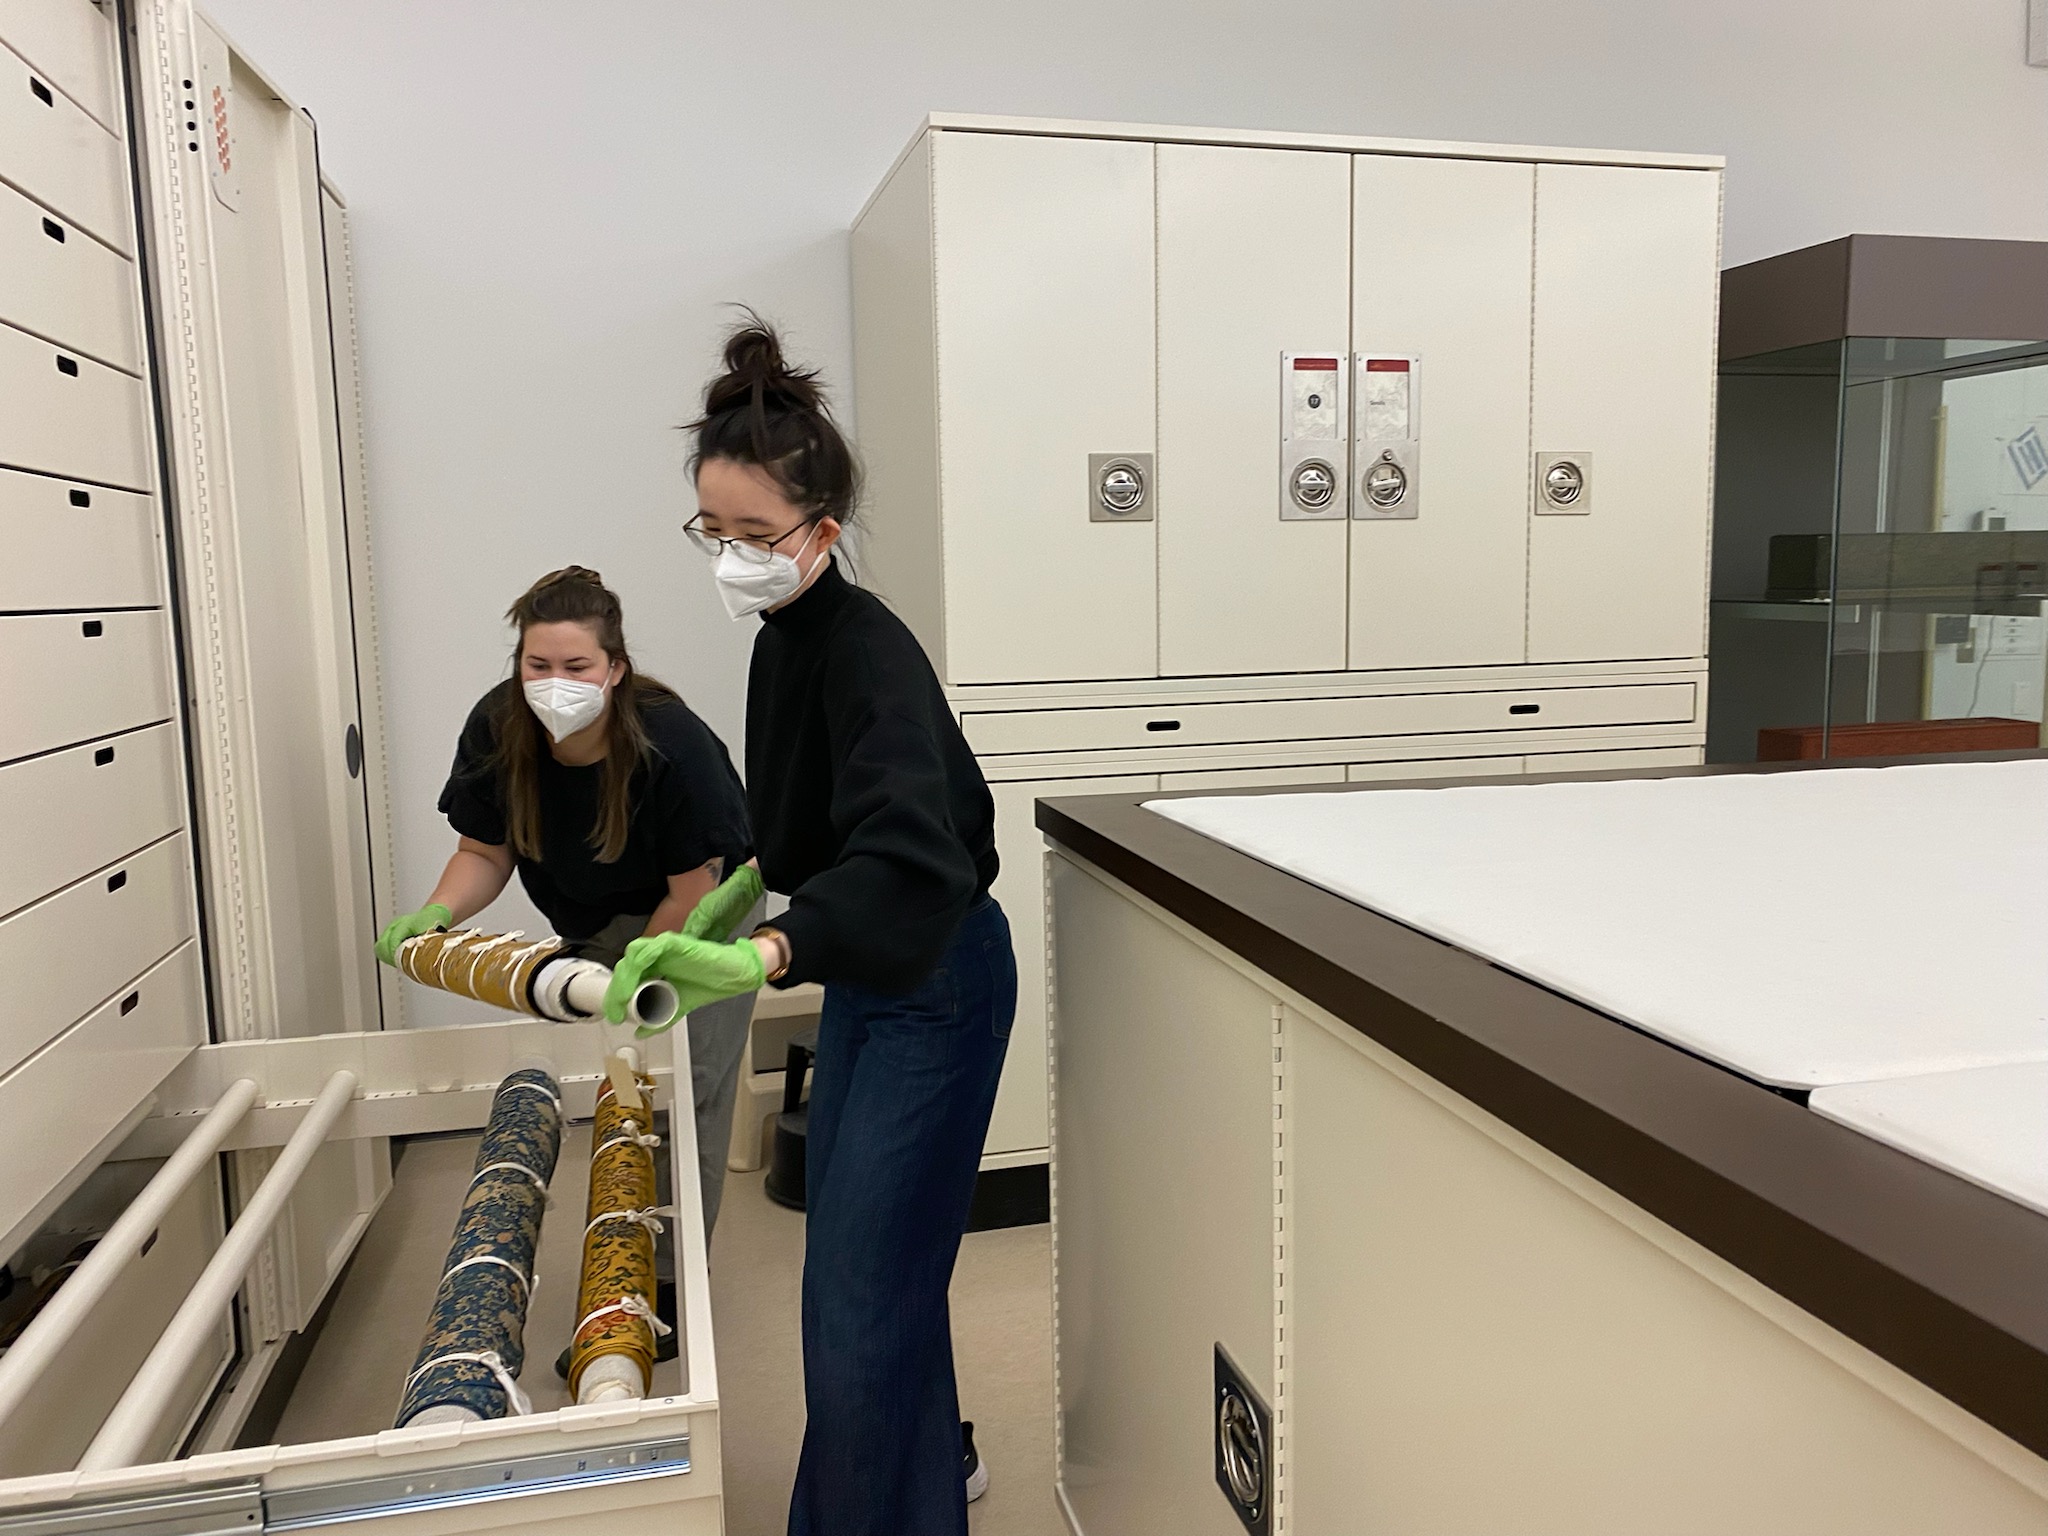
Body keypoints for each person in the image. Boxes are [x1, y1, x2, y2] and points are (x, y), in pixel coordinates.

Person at [605, 320, 1012, 1534]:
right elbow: (803, 823)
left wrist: (770, 947)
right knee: (866, 1274)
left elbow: (907, 848)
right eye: (711, 534)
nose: (730, 559)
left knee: (854, 1296)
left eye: (753, 537)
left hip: (933, 977)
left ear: (821, 532)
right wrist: (737, 894)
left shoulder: (866, 654)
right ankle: (928, 1482)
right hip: (877, 979)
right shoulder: (785, 638)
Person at [375, 565, 758, 1236]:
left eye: (577, 665)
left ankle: (665, 1285)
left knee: (680, 1091)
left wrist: (639, 971)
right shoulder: (499, 726)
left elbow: (690, 899)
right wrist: (436, 913)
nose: (556, 682)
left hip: (705, 912)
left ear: (615, 668)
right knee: (617, 1069)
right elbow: (484, 853)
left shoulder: (671, 744)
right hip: (600, 912)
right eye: (538, 664)